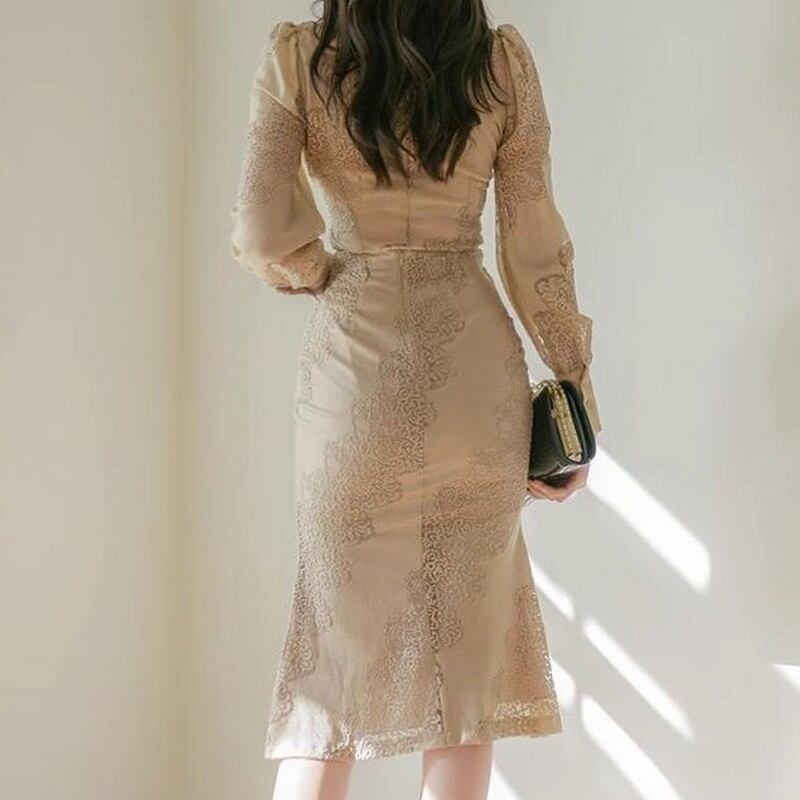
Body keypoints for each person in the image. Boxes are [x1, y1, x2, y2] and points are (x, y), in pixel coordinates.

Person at [229, 3, 603, 798]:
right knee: (464, 688)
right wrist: (576, 390)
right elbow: (534, 242)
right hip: (475, 383)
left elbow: (262, 230)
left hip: (352, 382)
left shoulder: (301, 60)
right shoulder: (500, 64)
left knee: (327, 688)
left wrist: (326, 274)